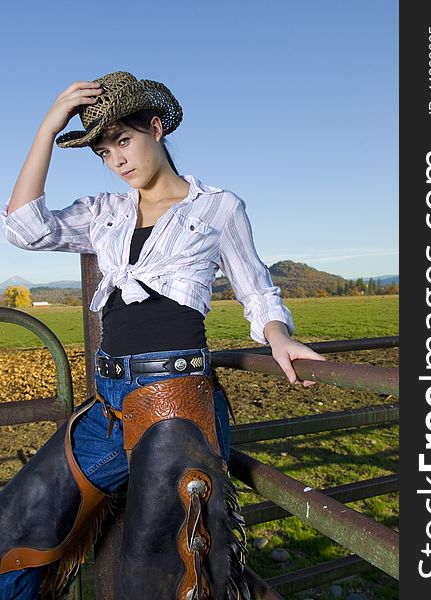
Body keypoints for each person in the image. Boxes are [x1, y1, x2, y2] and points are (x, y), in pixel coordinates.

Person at [0, 71, 325, 599]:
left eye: (123, 141)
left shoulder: (217, 207)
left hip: (175, 404)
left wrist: (277, 334)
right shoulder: (105, 212)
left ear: (156, 128)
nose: (118, 160)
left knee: (155, 576)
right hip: (106, 408)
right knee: (14, 527)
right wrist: (49, 125)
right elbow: (24, 226)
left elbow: (256, 289)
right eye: (104, 152)